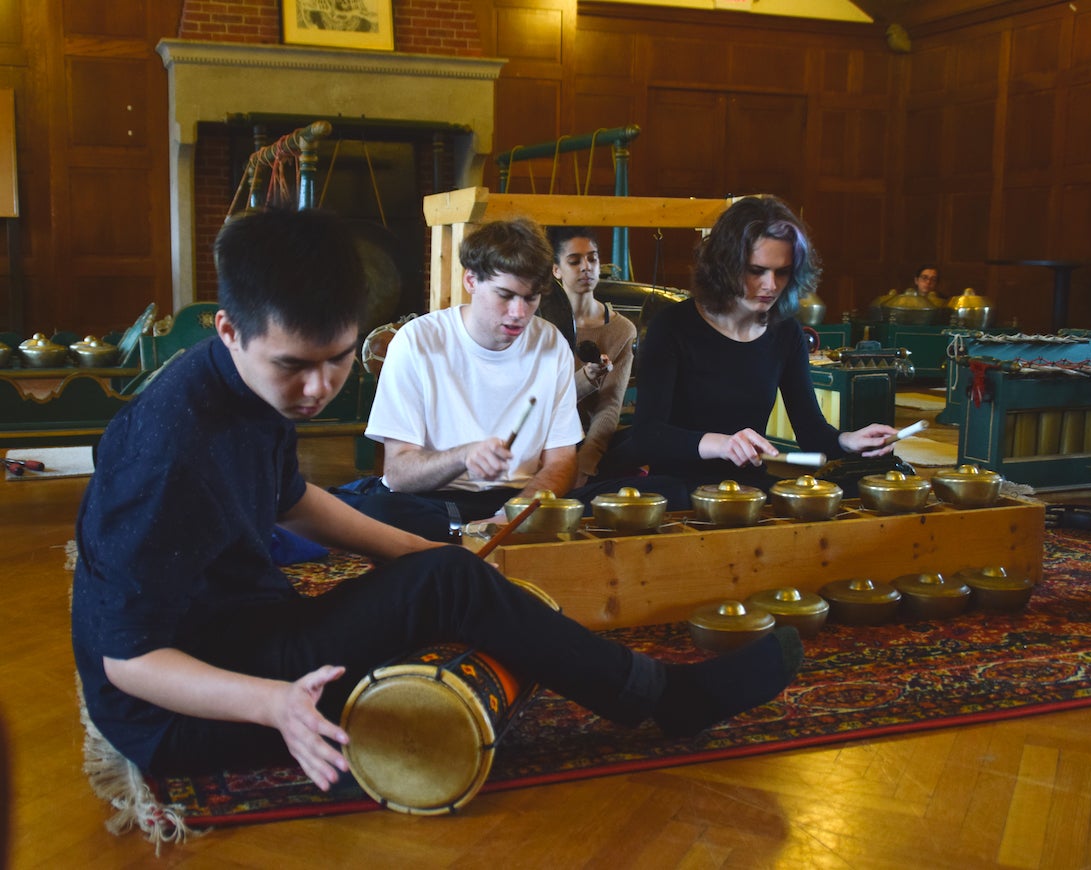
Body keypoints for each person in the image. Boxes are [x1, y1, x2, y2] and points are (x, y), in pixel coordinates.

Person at [71, 208, 804, 791]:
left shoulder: (250, 382)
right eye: (296, 367)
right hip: (177, 707)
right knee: (447, 587)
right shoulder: (165, 449)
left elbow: (291, 501)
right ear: (229, 329)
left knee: (448, 574)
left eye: (336, 361)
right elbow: (126, 664)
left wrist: (425, 557)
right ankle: (666, 700)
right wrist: (273, 706)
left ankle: (631, 681)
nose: (319, 388)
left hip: (254, 624)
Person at [607, 195, 898, 492]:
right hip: (677, 489)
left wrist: (848, 441)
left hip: (747, 489)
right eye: (756, 270)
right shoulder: (672, 326)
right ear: (725, 264)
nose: (771, 285)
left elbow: (812, 433)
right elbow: (647, 435)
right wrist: (722, 443)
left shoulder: (786, 333)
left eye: (782, 272)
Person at [335, 218, 583, 540]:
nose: (520, 313)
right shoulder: (417, 341)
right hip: (432, 502)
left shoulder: (551, 343)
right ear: (471, 280)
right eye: (505, 295)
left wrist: (512, 514)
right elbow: (397, 474)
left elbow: (562, 461)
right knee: (378, 513)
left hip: (516, 500)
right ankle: (458, 535)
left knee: (629, 497)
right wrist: (464, 456)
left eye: (531, 298)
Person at [541, 226, 637, 488]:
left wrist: (585, 463)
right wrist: (586, 378)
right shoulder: (539, 324)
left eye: (592, 258)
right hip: (543, 443)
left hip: (588, 445)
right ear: (556, 270)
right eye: (574, 261)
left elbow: (609, 406)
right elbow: (542, 402)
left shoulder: (622, 330)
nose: (586, 267)